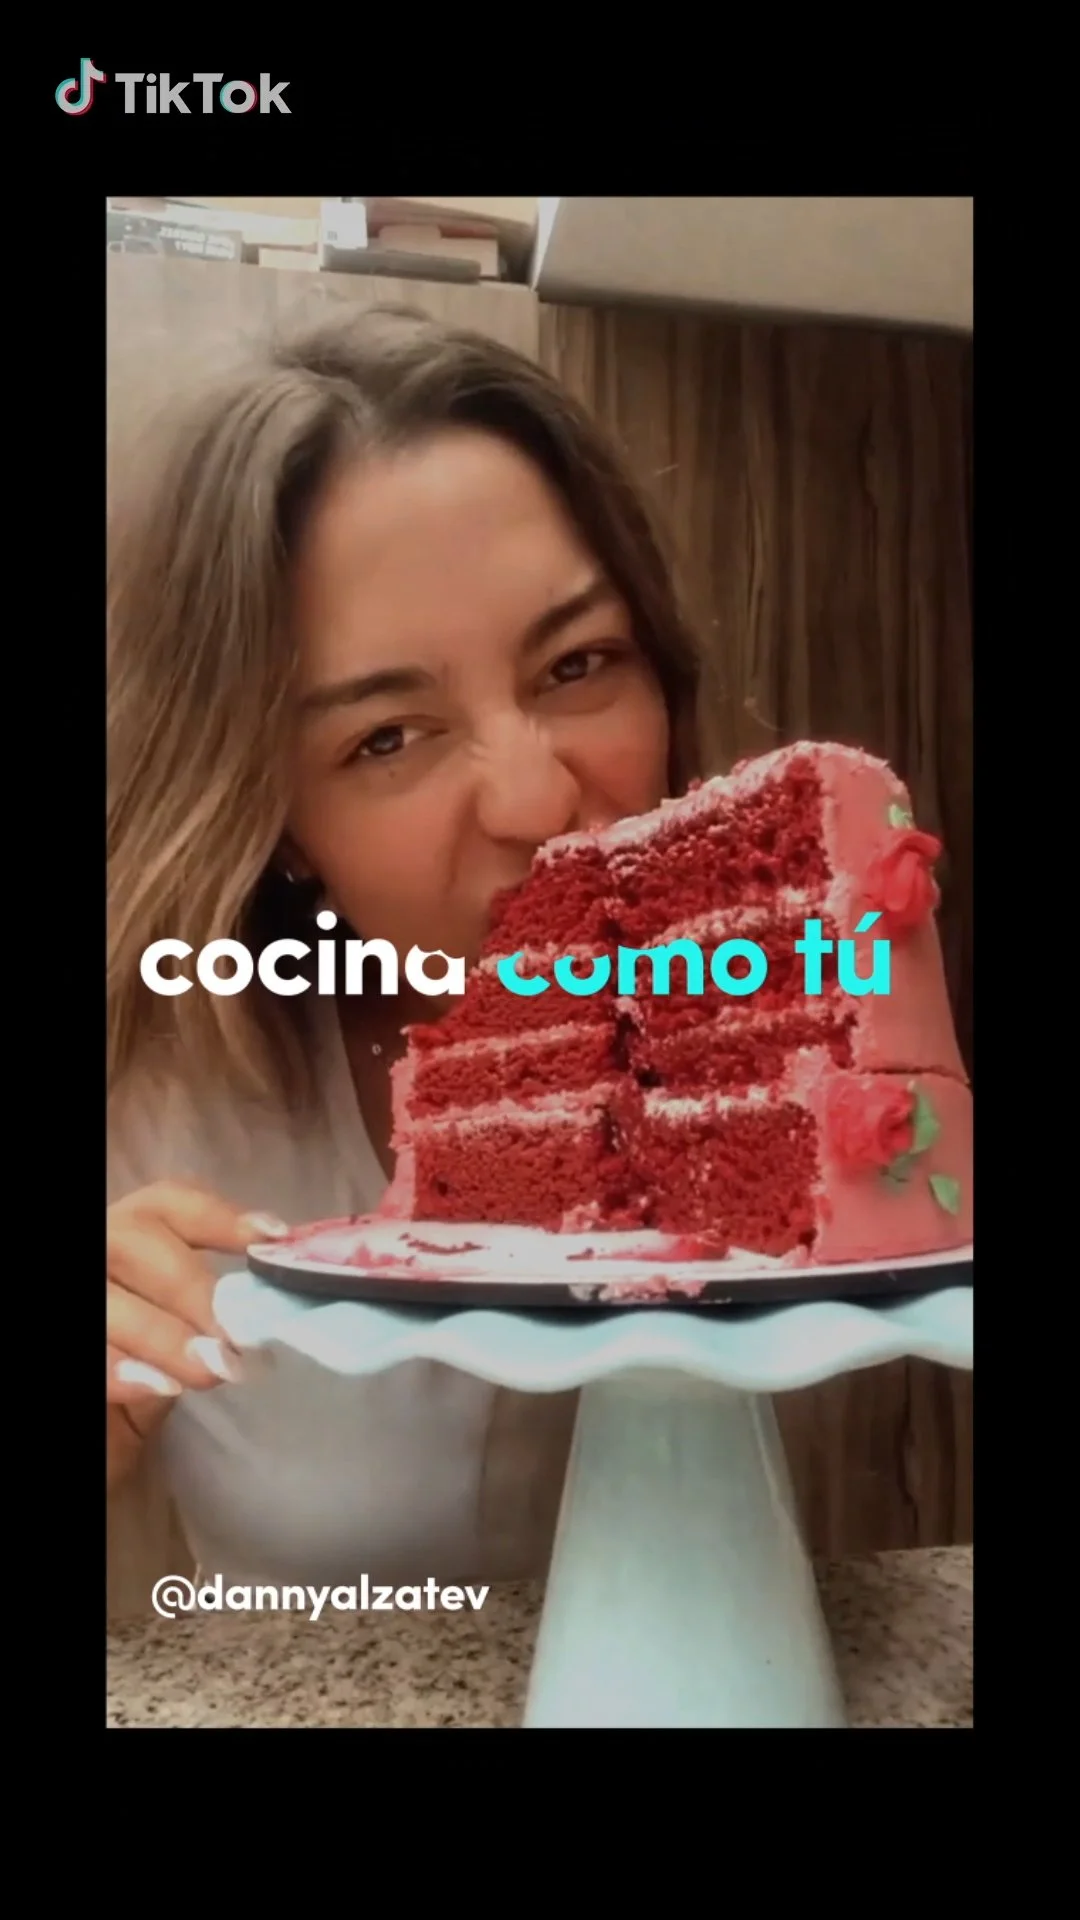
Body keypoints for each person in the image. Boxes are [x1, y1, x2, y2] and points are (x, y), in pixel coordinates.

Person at [107, 303, 710, 1615]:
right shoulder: (153, 1105)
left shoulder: (796, 1038)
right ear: (276, 825)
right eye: (388, 738)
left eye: (579, 662)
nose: (538, 799)